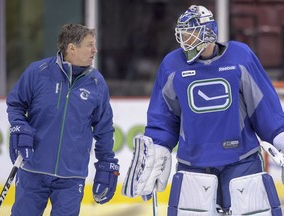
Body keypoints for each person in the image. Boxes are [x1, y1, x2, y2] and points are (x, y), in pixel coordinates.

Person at [122, 5, 284, 215]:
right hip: (193, 165)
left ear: (208, 33)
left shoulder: (240, 57)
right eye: (182, 34)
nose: (184, 40)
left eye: (190, 34)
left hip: (241, 161)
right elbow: (163, 117)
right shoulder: (172, 65)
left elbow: (263, 106)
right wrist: (159, 148)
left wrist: (280, 138)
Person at [7, 24, 120, 216]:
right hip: (33, 169)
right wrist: (19, 127)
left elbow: (104, 128)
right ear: (71, 48)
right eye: (89, 45)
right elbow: (16, 104)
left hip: (72, 176)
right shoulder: (38, 72)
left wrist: (106, 162)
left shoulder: (97, 83)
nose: (95, 50)